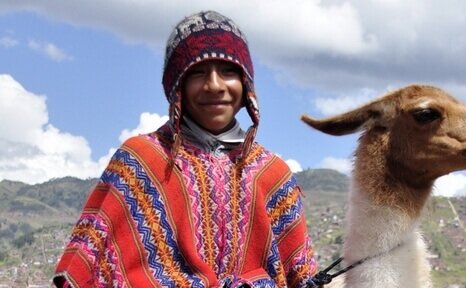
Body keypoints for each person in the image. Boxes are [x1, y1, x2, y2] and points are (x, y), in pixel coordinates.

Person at [53, 10, 317, 288]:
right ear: (177, 87)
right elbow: (84, 266)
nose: (214, 85)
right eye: (197, 72)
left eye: (228, 71)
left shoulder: (273, 175)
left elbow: (302, 275)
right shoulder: (140, 161)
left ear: (246, 83)